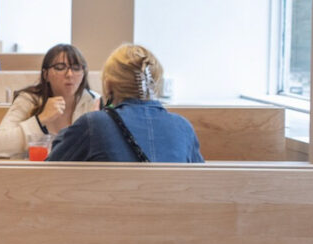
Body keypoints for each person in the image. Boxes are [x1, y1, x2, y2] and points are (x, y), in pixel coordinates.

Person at [48, 43, 204, 163]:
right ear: (155, 83)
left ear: (108, 85)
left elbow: (50, 169)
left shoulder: (94, 124)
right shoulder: (183, 127)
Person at [0, 44, 98, 158]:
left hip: (76, 174)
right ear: (46, 74)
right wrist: (40, 119)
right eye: (60, 67)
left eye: (76, 68)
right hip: (32, 173)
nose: (70, 74)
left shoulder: (93, 102)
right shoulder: (28, 100)